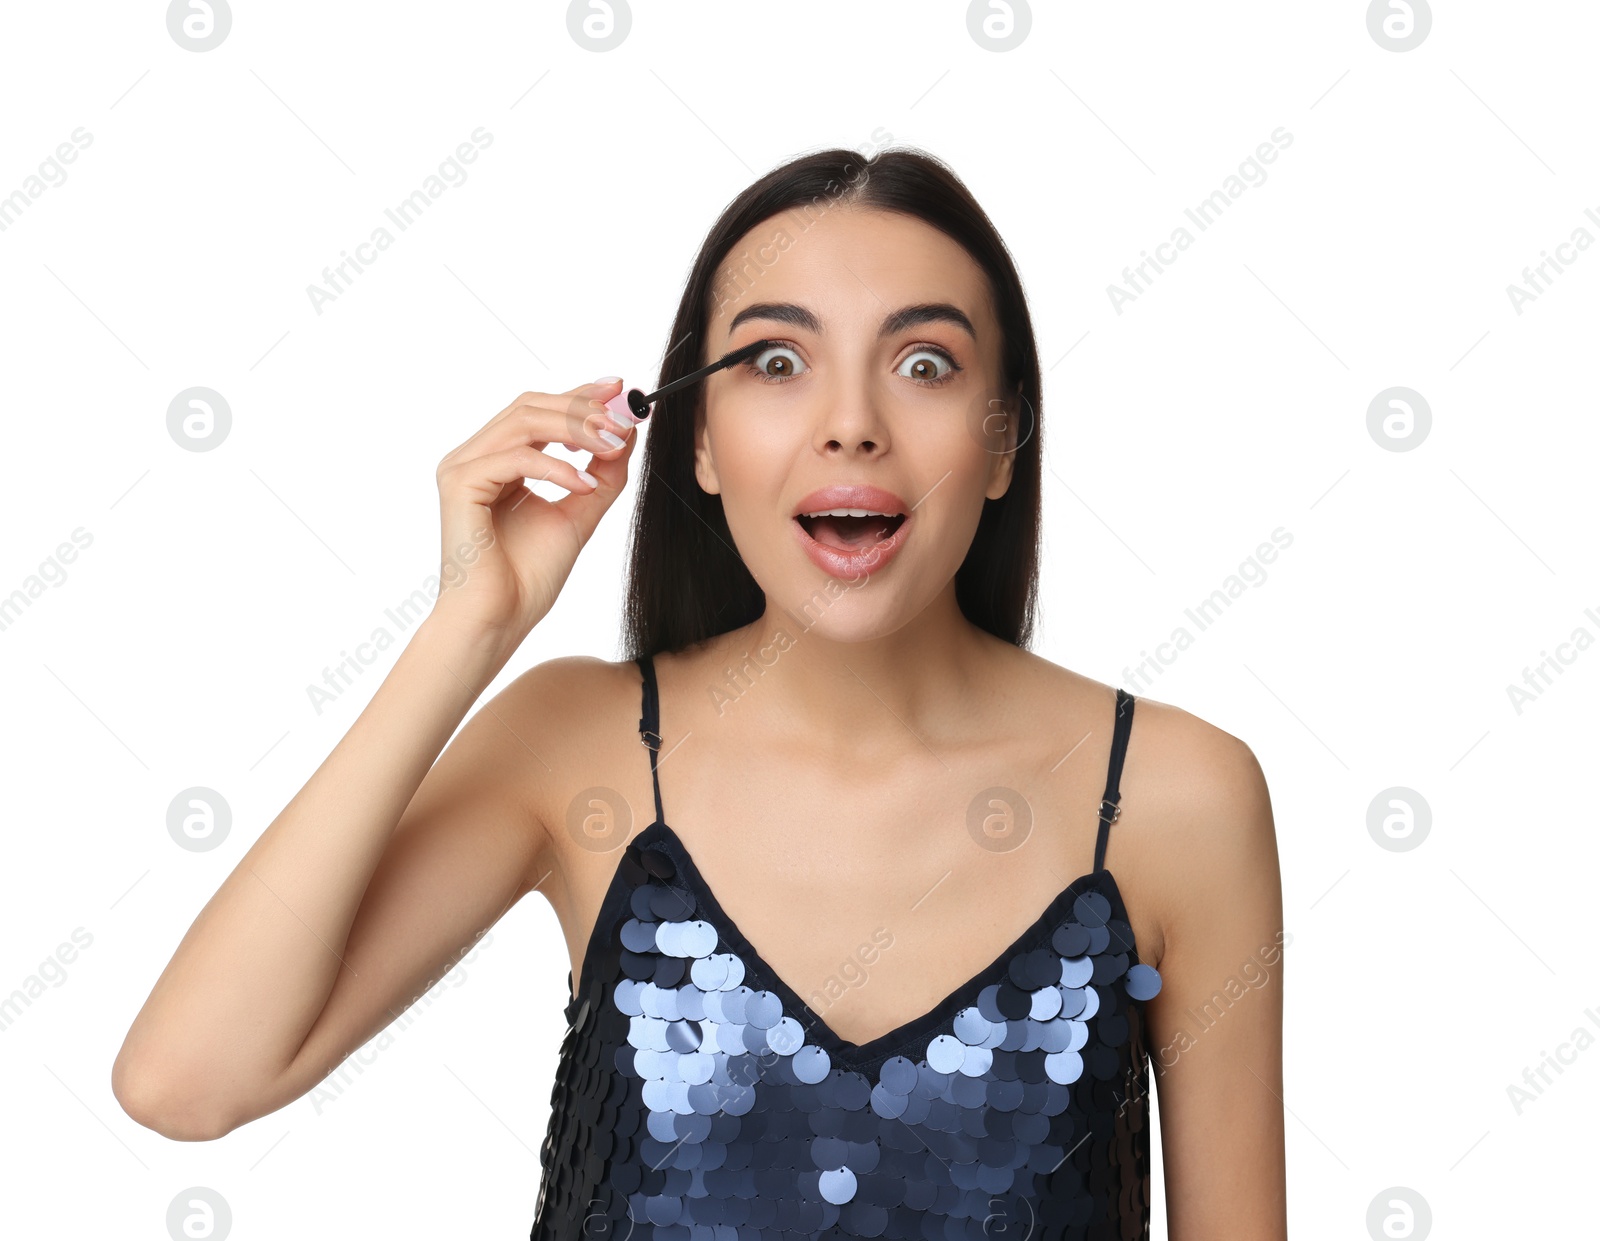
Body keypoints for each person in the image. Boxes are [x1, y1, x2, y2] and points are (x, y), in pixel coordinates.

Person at [113, 146, 1286, 1238]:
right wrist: (470, 627)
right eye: (777, 361)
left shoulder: (1176, 795)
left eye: (923, 363)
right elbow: (185, 1081)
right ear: (701, 443)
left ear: (1003, 440)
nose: (850, 426)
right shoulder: (575, 745)